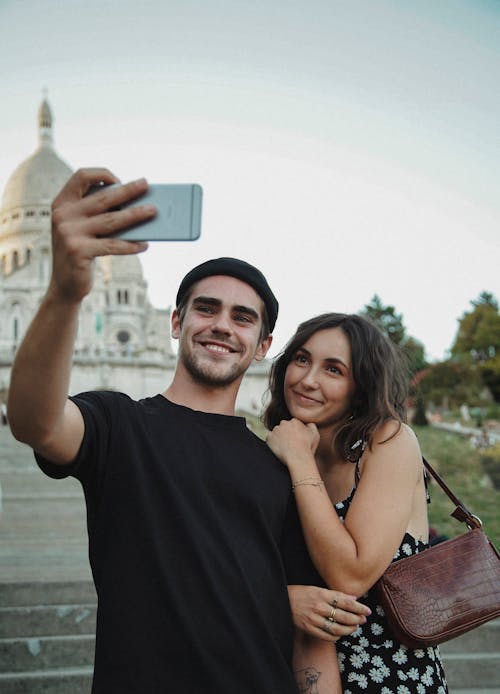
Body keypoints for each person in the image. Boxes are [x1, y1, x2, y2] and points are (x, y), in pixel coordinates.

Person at [7, 169, 368, 693]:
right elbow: (35, 421)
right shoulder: (118, 424)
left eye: (243, 318)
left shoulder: (279, 463)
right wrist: (66, 291)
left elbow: (311, 636)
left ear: (263, 345)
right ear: (175, 322)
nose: (222, 324)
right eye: (207, 308)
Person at [264, 313, 448, 693]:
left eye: (333, 369)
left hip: (392, 677)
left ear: (360, 387)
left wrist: (300, 460)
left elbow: (349, 576)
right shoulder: (278, 455)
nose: (307, 379)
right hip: (299, 672)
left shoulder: (389, 442)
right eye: (301, 359)